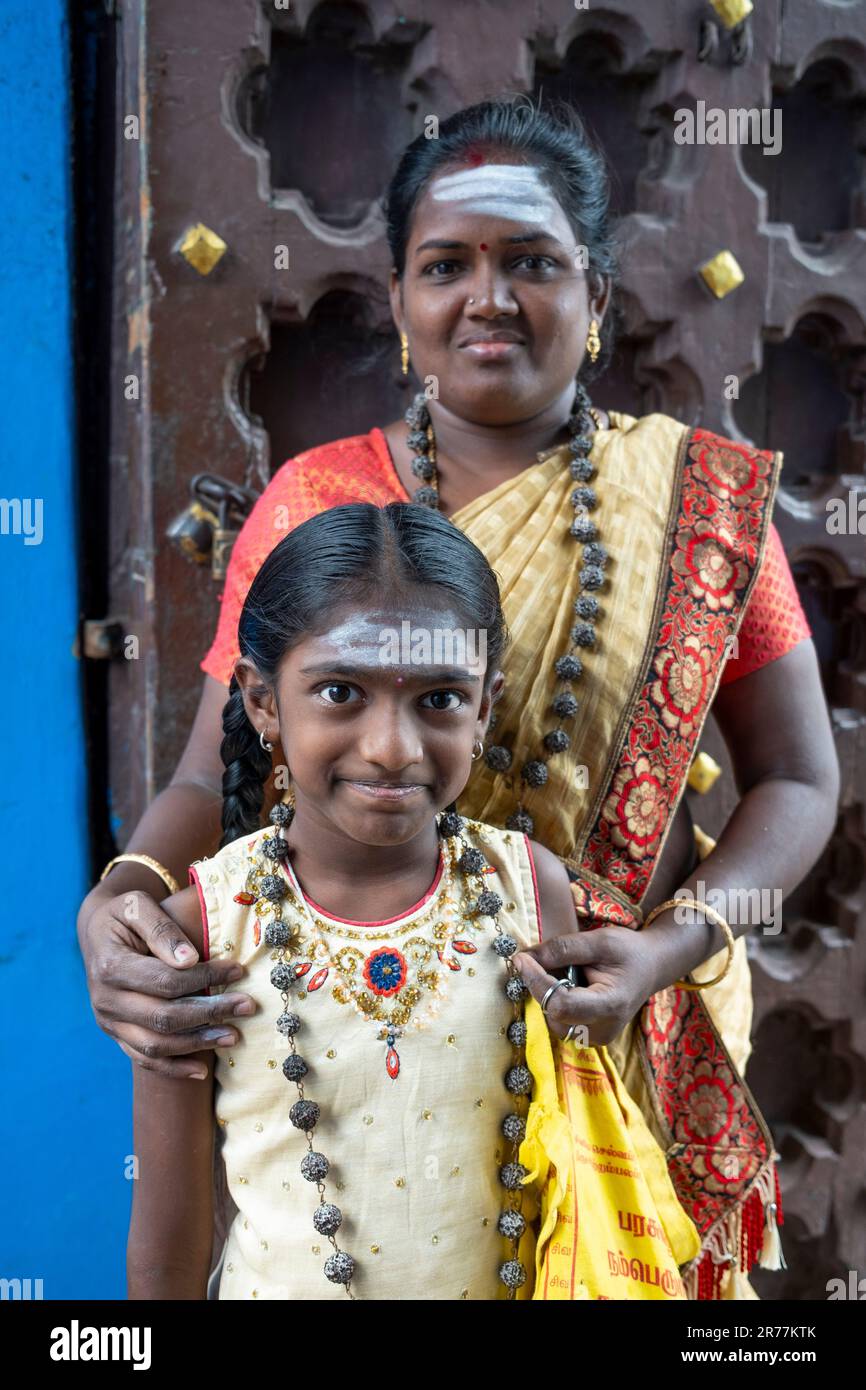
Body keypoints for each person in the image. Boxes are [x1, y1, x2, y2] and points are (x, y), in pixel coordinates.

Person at [84, 95, 839, 1296]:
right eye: (446, 266)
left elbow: (800, 778)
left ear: (590, 291)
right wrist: (119, 901)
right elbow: (201, 773)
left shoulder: (699, 505)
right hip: (355, 1005)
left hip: (620, 1022)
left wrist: (666, 945)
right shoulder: (313, 502)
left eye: (530, 261)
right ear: (397, 303)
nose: (488, 298)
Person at [127, 501, 699, 1301]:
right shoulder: (205, 929)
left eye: (438, 700)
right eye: (339, 692)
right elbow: (169, 1246)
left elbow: (564, 1174)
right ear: (262, 701)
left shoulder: (529, 892)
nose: (392, 748)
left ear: (485, 707)